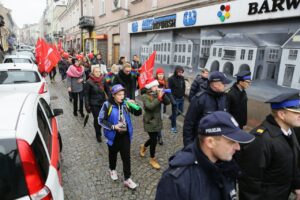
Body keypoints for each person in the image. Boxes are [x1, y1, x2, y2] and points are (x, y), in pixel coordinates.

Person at [155, 111, 255, 200]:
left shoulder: (228, 165)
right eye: (231, 142)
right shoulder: (176, 181)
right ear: (210, 142)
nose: (238, 147)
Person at [237, 92, 300, 200]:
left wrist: (297, 186)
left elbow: (293, 162)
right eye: (296, 112)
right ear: (282, 114)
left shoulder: (289, 131)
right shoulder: (260, 139)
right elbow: (250, 182)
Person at [98, 84, 142, 189]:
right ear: (113, 95)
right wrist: (113, 127)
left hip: (125, 135)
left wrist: (135, 104)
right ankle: (112, 169)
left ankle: (127, 179)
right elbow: (100, 120)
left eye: (123, 94)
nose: (122, 96)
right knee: (113, 155)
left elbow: (138, 113)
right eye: (119, 94)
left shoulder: (126, 103)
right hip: (113, 136)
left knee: (126, 157)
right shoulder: (107, 105)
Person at [183, 71, 231, 147]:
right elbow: (188, 124)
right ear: (215, 84)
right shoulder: (199, 99)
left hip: (217, 144)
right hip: (200, 144)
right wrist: (188, 147)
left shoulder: (224, 98)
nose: (225, 85)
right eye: (223, 83)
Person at [140, 78, 170, 169]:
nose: (157, 87)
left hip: (157, 120)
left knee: (154, 138)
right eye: (155, 86)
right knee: (154, 140)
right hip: (149, 121)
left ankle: (143, 146)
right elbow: (150, 107)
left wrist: (163, 96)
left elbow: (168, 102)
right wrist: (159, 98)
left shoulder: (157, 94)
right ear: (150, 87)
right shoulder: (145, 96)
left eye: (157, 86)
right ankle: (152, 159)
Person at [84, 65, 106, 143]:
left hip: (103, 102)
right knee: (97, 119)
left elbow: (107, 91)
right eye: (96, 72)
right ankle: (98, 134)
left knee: (102, 118)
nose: (98, 73)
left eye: (99, 71)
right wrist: (87, 105)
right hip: (94, 104)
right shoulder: (89, 82)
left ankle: (100, 130)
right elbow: (86, 95)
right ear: (93, 72)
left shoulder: (103, 79)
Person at [168, 66, 186, 133]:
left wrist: (183, 95)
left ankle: (171, 117)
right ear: (176, 71)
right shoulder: (171, 79)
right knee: (174, 113)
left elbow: (183, 87)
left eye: (181, 72)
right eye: (179, 72)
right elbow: (169, 90)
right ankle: (173, 127)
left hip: (181, 98)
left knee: (180, 111)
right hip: (175, 99)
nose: (180, 73)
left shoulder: (182, 78)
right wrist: (172, 99)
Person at [155, 68, 168, 145]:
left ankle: (159, 136)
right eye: (159, 74)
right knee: (157, 121)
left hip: (162, 104)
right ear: (157, 75)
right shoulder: (154, 82)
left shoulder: (165, 82)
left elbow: (167, 93)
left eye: (162, 74)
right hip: (156, 104)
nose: (161, 76)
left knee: (160, 120)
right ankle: (159, 136)